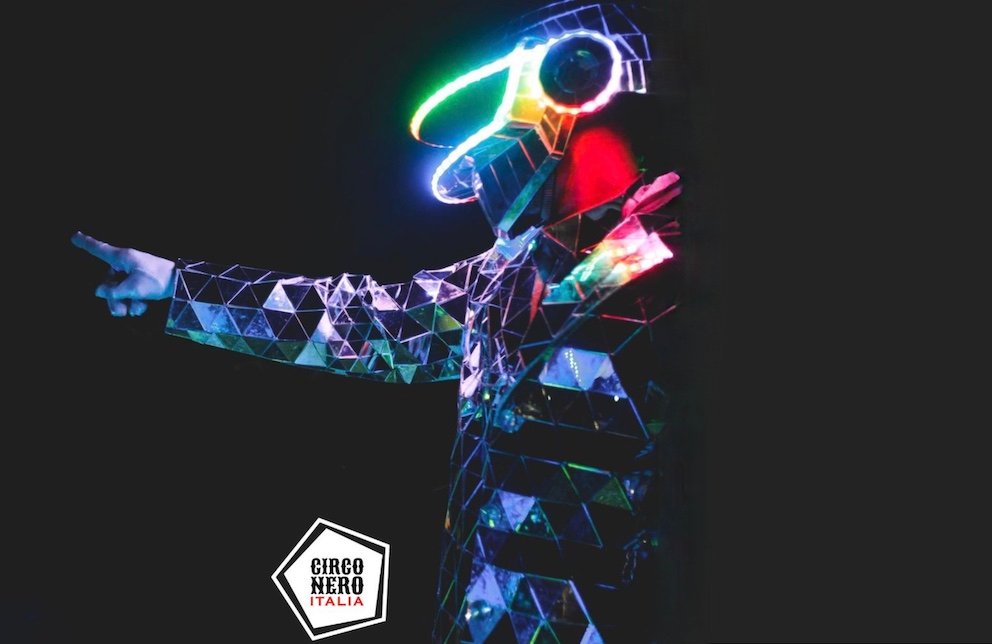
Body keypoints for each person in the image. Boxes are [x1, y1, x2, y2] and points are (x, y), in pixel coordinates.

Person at [72, 2, 689, 641]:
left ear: (582, 81)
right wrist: (179, 285)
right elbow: (355, 322)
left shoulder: (683, 246)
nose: (480, 177)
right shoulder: (501, 279)